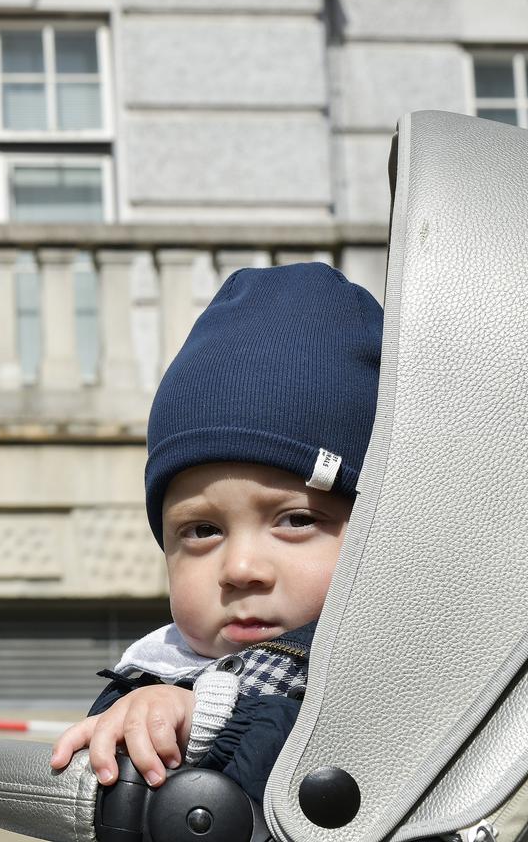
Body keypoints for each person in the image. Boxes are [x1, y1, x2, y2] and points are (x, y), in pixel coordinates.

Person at [49, 264, 384, 799]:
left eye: (295, 520)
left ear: (379, 530)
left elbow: (343, 757)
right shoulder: (156, 665)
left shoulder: (396, 663)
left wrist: (209, 721)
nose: (240, 569)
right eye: (203, 530)